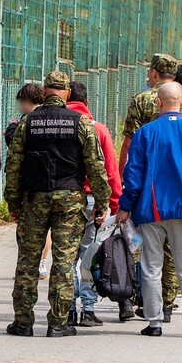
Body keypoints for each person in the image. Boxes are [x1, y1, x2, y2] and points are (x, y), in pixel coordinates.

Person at [4, 71, 111, 338]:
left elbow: (13, 165)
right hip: (70, 200)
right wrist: (102, 202)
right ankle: (58, 322)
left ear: (44, 91)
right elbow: (95, 167)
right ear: (67, 93)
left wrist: (13, 202)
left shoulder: (27, 123)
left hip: (34, 199)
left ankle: (23, 322)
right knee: (64, 261)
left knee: (28, 261)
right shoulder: (81, 123)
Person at [117, 82, 182, 338]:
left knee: (151, 267)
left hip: (151, 211)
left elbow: (133, 175)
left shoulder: (145, 133)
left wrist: (125, 206)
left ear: (158, 103)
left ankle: (154, 322)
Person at [120, 54, 182, 322]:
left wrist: (124, 195)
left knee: (149, 260)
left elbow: (130, 146)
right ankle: (173, 307)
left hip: (150, 197)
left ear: (154, 73)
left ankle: (150, 313)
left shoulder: (141, 102)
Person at [65, 81, 124, 326]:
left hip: (65, 199)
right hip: (93, 201)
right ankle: (88, 310)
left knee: (67, 257)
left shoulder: (59, 125)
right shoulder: (98, 129)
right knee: (90, 255)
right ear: (87, 102)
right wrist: (115, 204)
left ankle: (67, 308)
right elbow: (110, 171)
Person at [2, 82, 51, 280]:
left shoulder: (26, 122)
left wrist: (11, 128)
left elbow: (14, 149)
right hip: (50, 183)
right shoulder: (51, 118)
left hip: (29, 186)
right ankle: (42, 263)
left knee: (28, 231)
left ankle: (28, 267)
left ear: (26, 101)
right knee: (46, 228)